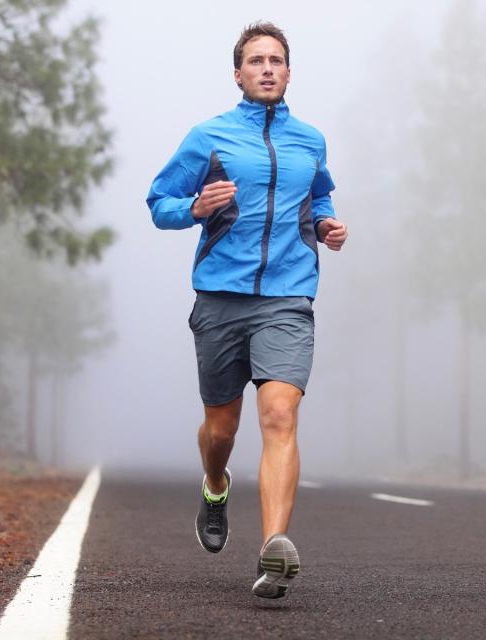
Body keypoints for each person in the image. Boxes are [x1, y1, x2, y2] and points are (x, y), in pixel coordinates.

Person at [146, 21, 348, 600]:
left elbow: (320, 194)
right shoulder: (208, 137)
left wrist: (327, 224)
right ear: (238, 74)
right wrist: (194, 207)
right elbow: (158, 203)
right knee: (222, 428)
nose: (266, 68)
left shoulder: (310, 141)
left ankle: (273, 549)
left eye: (276, 60)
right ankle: (215, 484)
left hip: (288, 296)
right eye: (256, 60)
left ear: (289, 72)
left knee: (280, 415)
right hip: (220, 298)